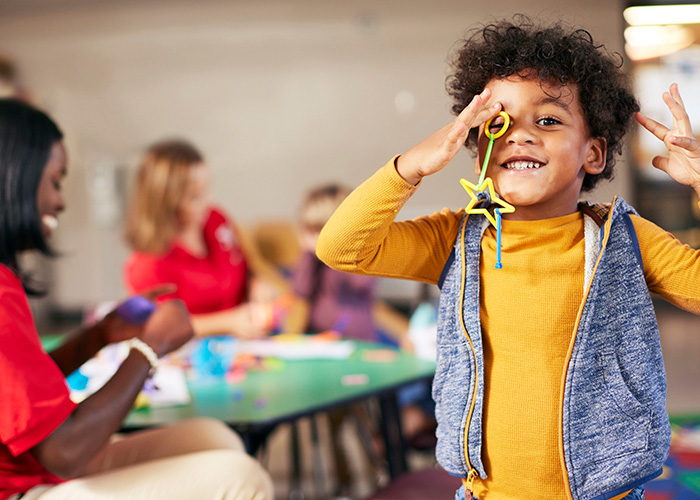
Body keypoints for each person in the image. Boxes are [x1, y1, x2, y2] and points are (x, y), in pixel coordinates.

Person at [316, 17, 700, 500]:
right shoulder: (454, 237)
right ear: (479, 153)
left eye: (548, 120)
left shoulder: (622, 237)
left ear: (594, 154)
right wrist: (412, 164)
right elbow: (341, 246)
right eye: (499, 124)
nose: (520, 135)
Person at [0, 99, 274, 500]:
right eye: (55, 181)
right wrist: (149, 347)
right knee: (243, 477)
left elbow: (24, 397)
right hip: (26, 485)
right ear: (16, 179)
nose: (60, 201)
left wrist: (100, 335)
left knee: (215, 437)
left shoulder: (6, 282)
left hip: (36, 466)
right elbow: (63, 451)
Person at [124, 139, 289, 338]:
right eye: (195, 196)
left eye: (207, 189)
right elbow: (162, 326)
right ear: (166, 204)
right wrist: (230, 322)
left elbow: (245, 268)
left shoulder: (215, 220)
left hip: (247, 345)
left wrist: (256, 286)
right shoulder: (147, 264)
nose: (207, 201)